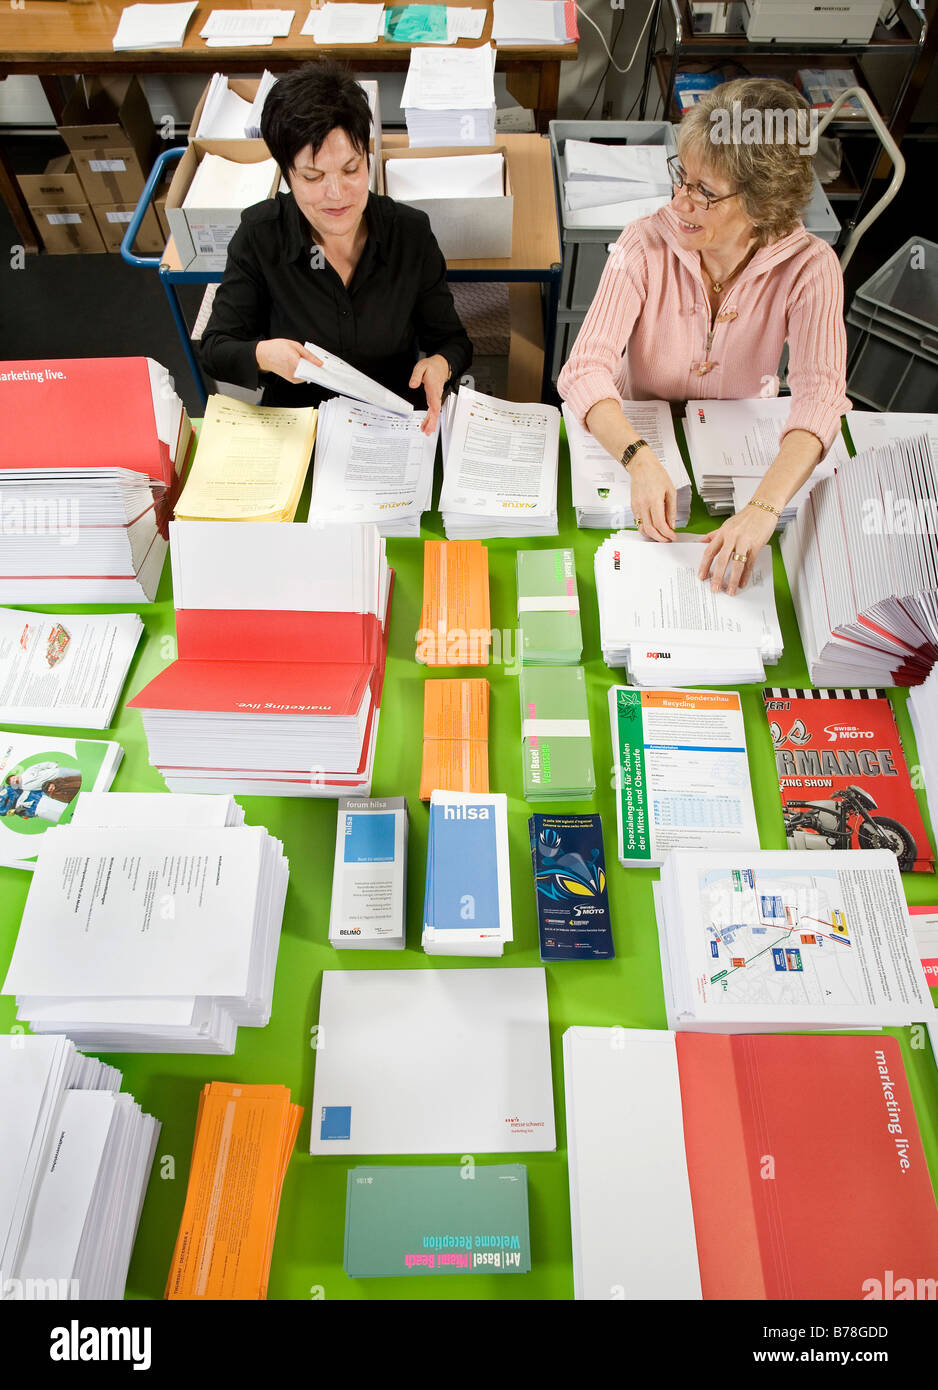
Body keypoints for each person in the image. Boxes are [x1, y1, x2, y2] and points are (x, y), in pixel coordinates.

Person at [558, 77, 851, 594]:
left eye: (704, 192)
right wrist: (639, 459)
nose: (680, 202)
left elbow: (821, 397)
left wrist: (762, 509)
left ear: (763, 206)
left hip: (743, 465)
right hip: (641, 435)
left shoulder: (813, 267)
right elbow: (584, 371)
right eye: (682, 178)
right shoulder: (644, 241)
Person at [199, 62, 473, 435]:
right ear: (287, 174)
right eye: (313, 177)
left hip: (389, 423)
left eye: (351, 170)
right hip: (299, 425)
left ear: (368, 158)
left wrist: (440, 364)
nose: (337, 194)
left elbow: (452, 340)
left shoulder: (409, 233)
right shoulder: (260, 236)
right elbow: (215, 349)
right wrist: (263, 355)